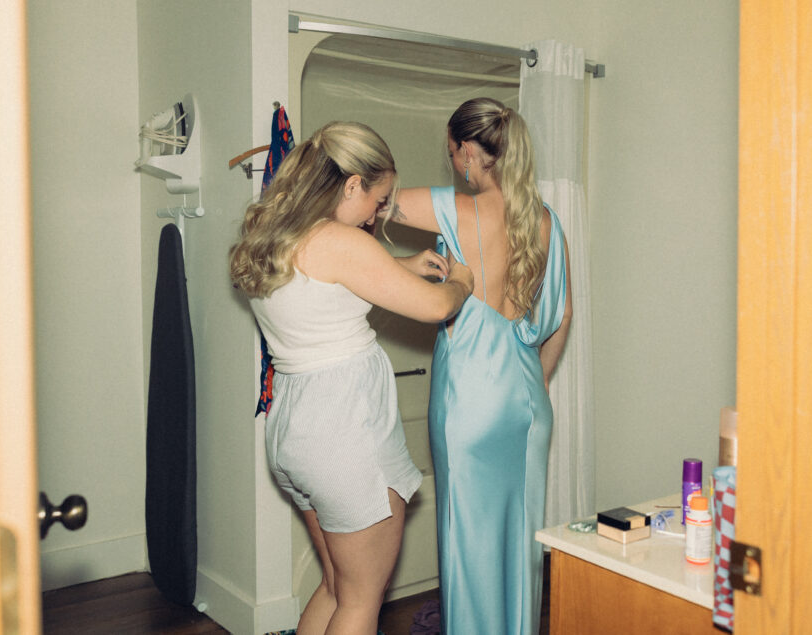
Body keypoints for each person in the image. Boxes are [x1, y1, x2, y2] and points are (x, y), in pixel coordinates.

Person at [229, 121, 474, 635]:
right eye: (378, 198)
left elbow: (327, 286)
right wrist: (461, 281)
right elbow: (435, 308)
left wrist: (404, 263)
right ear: (352, 184)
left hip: (294, 431)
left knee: (338, 588)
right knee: (363, 600)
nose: (379, 213)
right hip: (344, 434)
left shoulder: (274, 235)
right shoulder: (339, 241)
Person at [385, 98, 573, 635]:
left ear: (469, 150)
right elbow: (560, 320)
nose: (452, 165)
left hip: (469, 398)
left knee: (467, 541)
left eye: (452, 153)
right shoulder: (545, 221)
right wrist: (532, 382)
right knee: (520, 542)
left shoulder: (452, 208)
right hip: (526, 402)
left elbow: (368, 205)